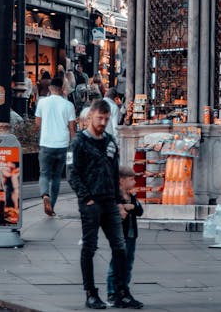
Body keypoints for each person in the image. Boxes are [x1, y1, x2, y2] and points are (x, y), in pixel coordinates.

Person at [68, 98, 143, 310]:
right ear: (90, 116)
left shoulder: (110, 141)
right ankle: (91, 293)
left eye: (106, 118)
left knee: (120, 247)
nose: (102, 122)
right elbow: (72, 173)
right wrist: (87, 199)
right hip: (91, 204)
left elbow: (114, 171)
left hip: (110, 202)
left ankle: (121, 292)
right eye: (100, 118)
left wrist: (119, 201)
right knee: (89, 248)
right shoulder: (78, 142)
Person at [35, 76, 76, 217]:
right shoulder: (69, 105)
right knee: (57, 176)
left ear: (50, 88)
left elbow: (37, 124)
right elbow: (72, 129)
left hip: (46, 143)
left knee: (44, 174)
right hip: (62, 144)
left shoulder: (42, 103)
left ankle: (45, 195)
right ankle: (51, 207)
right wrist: (73, 146)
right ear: (62, 89)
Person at [106, 166, 143, 307]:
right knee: (115, 264)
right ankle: (112, 293)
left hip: (132, 236)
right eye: (131, 179)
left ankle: (124, 291)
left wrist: (132, 207)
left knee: (128, 264)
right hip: (121, 236)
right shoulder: (117, 198)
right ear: (121, 181)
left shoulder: (131, 196)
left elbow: (140, 211)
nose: (134, 182)